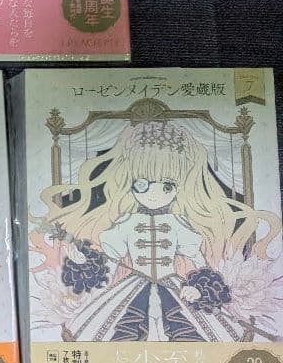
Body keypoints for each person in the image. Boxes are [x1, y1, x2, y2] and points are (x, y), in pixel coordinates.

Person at [39, 120, 282, 341]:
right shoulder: (127, 222)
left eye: (167, 186)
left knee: (185, 331)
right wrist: (85, 261)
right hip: (133, 288)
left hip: (172, 286)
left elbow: (197, 259)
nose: (154, 194)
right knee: (124, 332)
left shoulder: (178, 223)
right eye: (143, 184)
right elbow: (110, 259)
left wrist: (198, 288)